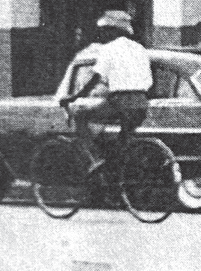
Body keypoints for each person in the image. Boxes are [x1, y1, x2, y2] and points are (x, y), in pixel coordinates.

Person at [58, 10, 152, 173]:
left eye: (106, 30)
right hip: (141, 102)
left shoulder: (109, 49)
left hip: (120, 101)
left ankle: (95, 159)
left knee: (81, 116)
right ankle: (116, 171)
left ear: (114, 30)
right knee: (123, 142)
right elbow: (148, 81)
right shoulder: (140, 49)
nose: (103, 34)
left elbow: (95, 78)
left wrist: (75, 97)